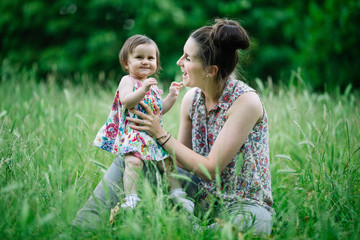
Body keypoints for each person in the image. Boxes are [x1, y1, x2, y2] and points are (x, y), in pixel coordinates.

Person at [127, 19, 274, 235]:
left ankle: (189, 226)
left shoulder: (245, 102)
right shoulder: (191, 100)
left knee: (248, 226)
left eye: (187, 58)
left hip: (244, 206)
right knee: (133, 153)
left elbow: (210, 170)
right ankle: (87, 220)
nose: (179, 62)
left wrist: (160, 133)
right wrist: (146, 143)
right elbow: (182, 164)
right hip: (202, 197)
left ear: (211, 70)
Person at [91, 34, 193, 221]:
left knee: (167, 162)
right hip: (133, 133)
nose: (145, 62)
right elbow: (127, 101)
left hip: (152, 135)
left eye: (150, 58)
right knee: (133, 162)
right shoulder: (128, 81)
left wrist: (171, 96)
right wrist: (143, 89)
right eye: (139, 57)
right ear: (126, 63)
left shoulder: (151, 85)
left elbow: (159, 110)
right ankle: (131, 198)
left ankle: (178, 193)